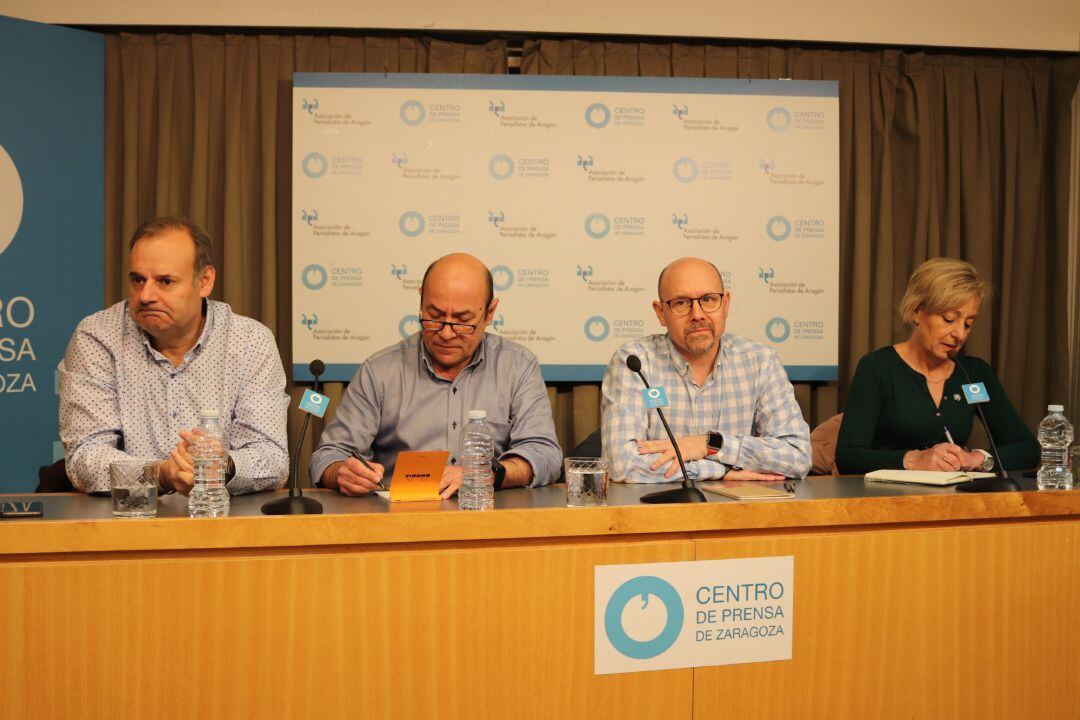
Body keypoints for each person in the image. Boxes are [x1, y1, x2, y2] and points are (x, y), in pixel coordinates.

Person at [58, 217, 290, 495]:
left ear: (204, 281)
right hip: (127, 524)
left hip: (224, 524)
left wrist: (220, 466)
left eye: (165, 281)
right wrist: (162, 474)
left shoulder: (250, 342)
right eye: (137, 280)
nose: (145, 295)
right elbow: (85, 457)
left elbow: (272, 458)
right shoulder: (97, 337)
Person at [311, 253, 561, 498]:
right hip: (399, 522)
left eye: (463, 322)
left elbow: (544, 454)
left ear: (490, 313)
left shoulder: (518, 366)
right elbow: (329, 456)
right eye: (435, 317)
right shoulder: (380, 371)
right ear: (420, 301)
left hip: (487, 519)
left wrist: (487, 473)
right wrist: (342, 472)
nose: (446, 333)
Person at [601, 257, 811, 483]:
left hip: (739, 513)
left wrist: (710, 444)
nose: (698, 314)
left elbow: (798, 456)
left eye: (708, 300)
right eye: (681, 303)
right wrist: (721, 471)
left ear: (726, 304)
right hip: (659, 511)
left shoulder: (760, 361)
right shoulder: (635, 362)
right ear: (661, 312)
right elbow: (620, 464)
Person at [835, 258, 1038, 474]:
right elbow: (848, 457)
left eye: (968, 324)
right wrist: (915, 460)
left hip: (954, 502)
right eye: (949, 319)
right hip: (888, 502)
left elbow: (1027, 449)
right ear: (916, 311)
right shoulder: (877, 367)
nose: (960, 334)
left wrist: (977, 459)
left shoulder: (973, 374)